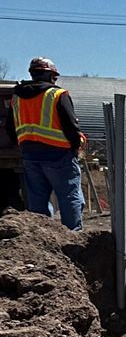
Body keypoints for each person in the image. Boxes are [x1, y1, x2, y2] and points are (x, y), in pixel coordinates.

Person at [4, 57, 86, 229]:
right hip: (59, 154)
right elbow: (71, 126)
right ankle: (73, 237)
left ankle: (42, 238)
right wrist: (76, 145)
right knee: (69, 196)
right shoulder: (57, 94)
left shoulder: (16, 98)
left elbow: (10, 127)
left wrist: (23, 145)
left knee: (37, 200)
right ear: (51, 76)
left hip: (30, 154)